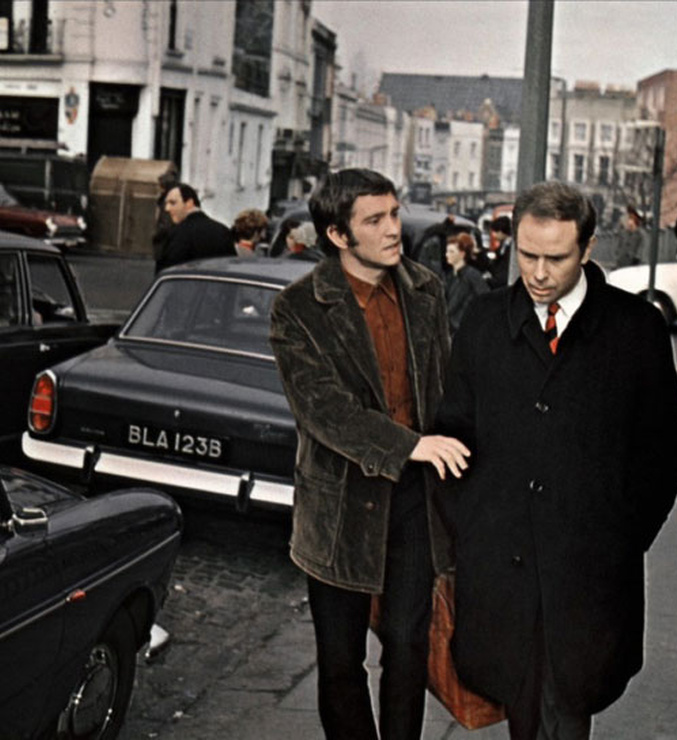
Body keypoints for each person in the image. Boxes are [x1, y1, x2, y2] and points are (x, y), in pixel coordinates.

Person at [436, 181, 677, 740]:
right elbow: (452, 436)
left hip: (587, 578)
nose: (539, 273)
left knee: (569, 708)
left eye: (556, 258)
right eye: (527, 255)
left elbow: (663, 454)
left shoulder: (636, 329)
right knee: (520, 713)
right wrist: (473, 529)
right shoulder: (484, 320)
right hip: (500, 569)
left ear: (588, 248)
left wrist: (617, 539)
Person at [268, 168, 470, 740]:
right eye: (375, 220)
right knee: (341, 661)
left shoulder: (425, 290)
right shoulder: (299, 308)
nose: (393, 229)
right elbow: (324, 411)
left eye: (395, 214)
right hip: (339, 506)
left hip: (415, 502)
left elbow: (446, 389)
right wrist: (410, 445)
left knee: (408, 647)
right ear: (338, 235)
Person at [156, 183, 236, 272]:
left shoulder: (178, 233)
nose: (167, 208)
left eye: (173, 203)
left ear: (189, 203)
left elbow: (166, 272)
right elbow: (232, 268)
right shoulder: (223, 231)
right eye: (166, 203)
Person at [443, 231, 489, 336]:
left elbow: (485, 299)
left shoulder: (472, 275)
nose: (447, 255)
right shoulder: (450, 275)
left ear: (462, 254)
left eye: (451, 251)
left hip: (464, 328)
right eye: (447, 251)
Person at [483, 214, 514, 289]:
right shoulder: (503, 245)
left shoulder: (511, 247)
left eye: (495, 232)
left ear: (500, 231)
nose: (493, 235)